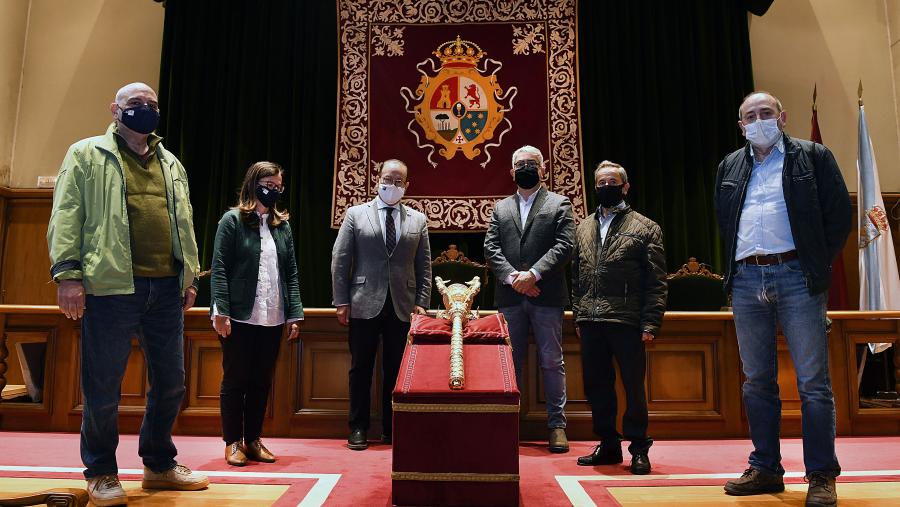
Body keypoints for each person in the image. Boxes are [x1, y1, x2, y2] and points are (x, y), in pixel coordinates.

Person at [47, 82, 208, 506]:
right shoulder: (86, 154)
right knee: (103, 387)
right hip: (111, 287)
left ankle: (158, 464)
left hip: (165, 289)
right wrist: (68, 274)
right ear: (114, 110)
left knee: (171, 382)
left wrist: (189, 276)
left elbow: (184, 222)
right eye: (135, 104)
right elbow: (66, 214)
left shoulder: (171, 162)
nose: (145, 109)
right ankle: (100, 471)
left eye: (152, 103)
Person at [715, 91, 851, 507]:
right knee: (756, 381)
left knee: (813, 384)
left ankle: (821, 474)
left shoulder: (814, 157)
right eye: (750, 116)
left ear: (783, 117)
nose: (758, 120)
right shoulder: (729, 165)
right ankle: (766, 469)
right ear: (741, 126)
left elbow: (839, 217)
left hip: (797, 277)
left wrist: (812, 262)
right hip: (745, 279)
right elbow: (724, 219)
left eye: (766, 113)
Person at [571, 161, 667, 475]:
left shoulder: (646, 227)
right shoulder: (582, 226)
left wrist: (650, 322)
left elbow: (656, 281)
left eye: (612, 181)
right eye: (600, 182)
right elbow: (576, 276)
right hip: (590, 320)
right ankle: (609, 445)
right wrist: (579, 315)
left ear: (625, 187)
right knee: (597, 385)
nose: (606, 186)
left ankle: (638, 447)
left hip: (627, 321)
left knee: (633, 387)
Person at [331, 159, 432, 450]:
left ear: (407, 185)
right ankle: (358, 427)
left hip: (403, 306)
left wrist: (422, 302)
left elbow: (424, 266)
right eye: (389, 179)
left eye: (400, 181)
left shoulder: (417, 220)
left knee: (396, 369)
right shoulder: (355, 215)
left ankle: (392, 428)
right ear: (378, 179)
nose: (394, 185)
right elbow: (341, 261)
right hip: (363, 303)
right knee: (360, 368)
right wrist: (341, 300)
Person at [210, 161, 303, 466]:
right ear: (253, 183)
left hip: (272, 315)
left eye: (278, 186)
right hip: (238, 315)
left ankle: (253, 439)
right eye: (268, 184)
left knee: (261, 380)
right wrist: (220, 311)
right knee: (236, 379)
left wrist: (294, 314)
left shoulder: (282, 225)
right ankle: (232, 441)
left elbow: (290, 272)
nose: (273, 190)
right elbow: (220, 269)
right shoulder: (232, 221)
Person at [484, 145, 574, 453]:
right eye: (519, 164)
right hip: (510, 297)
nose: (525, 167)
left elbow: (565, 246)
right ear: (511, 172)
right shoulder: (500, 208)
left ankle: (556, 426)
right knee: (510, 362)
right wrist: (514, 279)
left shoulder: (559, 203)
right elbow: (491, 249)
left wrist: (532, 275)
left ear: (543, 169)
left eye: (531, 163)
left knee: (552, 362)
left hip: (546, 295)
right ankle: (510, 424)